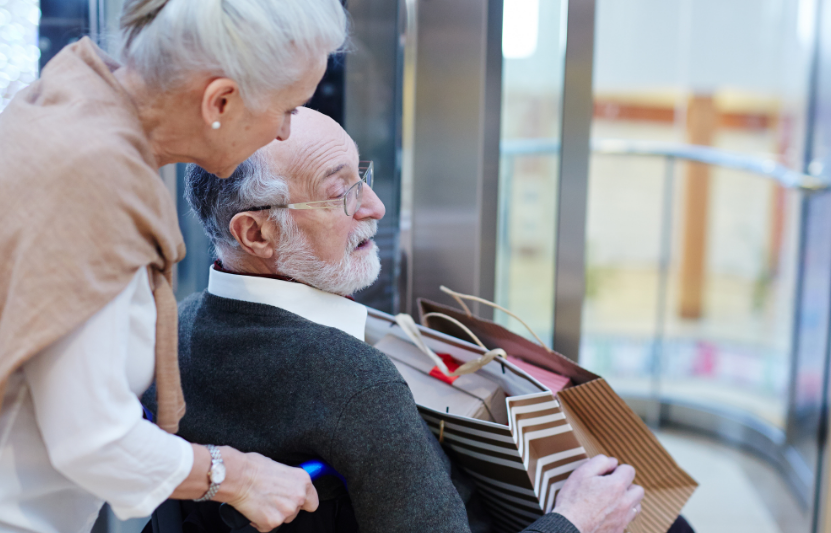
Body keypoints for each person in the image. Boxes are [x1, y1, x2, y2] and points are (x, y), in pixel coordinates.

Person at [0, 0, 347, 533]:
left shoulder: (50, 106)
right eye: (288, 108)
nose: (281, 132)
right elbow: (94, 442)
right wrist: (238, 475)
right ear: (220, 100)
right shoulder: (94, 185)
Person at [145, 107, 650, 533]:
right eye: (340, 191)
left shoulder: (175, 328)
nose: (375, 206)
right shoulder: (354, 381)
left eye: (361, 177)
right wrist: (576, 521)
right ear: (255, 234)